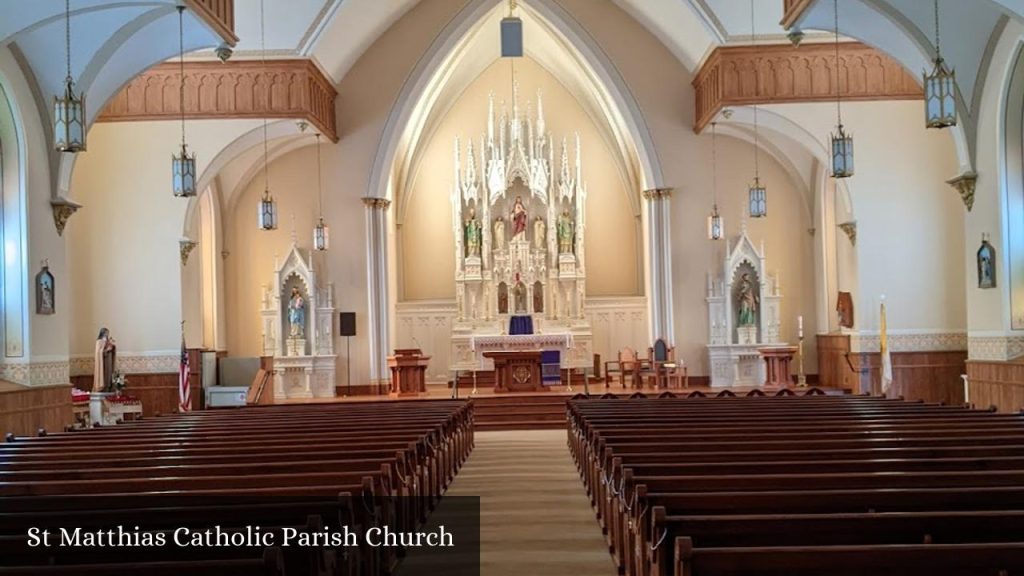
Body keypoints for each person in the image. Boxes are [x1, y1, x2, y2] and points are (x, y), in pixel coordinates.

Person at [93, 328, 116, 392]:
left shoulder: (107, 341)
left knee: (109, 374)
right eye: (106, 332)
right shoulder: (99, 341)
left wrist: (112, 346)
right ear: (102, 333)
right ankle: (103, 387)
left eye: (108, 333)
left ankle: (108, 387)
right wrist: (106, 350)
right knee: (105, 374)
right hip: (103, 362)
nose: (107, 334)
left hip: (109, 360)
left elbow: (111, 348)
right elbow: (98, 353)